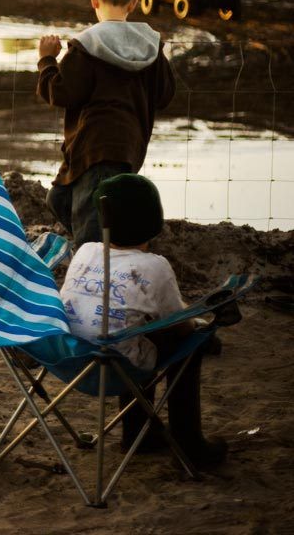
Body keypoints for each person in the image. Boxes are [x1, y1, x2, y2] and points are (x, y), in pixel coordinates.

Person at [59, 173, 226, 467]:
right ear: (153, 222)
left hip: (71, 359)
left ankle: (139, 433)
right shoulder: (155, 266)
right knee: (190, 341)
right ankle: (189, 445)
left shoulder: (85, 251)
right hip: (114, 367)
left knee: (132, 331)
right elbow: (180, 324)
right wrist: (200, 327)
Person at [37, 0, 175, 246]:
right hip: (128, 144)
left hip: (94, 143)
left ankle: (97, 259)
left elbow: (61, 93)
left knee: (91, 222)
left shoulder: (86, 46)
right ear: (133, 3)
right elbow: (164, 95)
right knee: (59, 198)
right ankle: (112, 247)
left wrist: (47, 61)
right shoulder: (151, 46)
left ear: (93, 0)